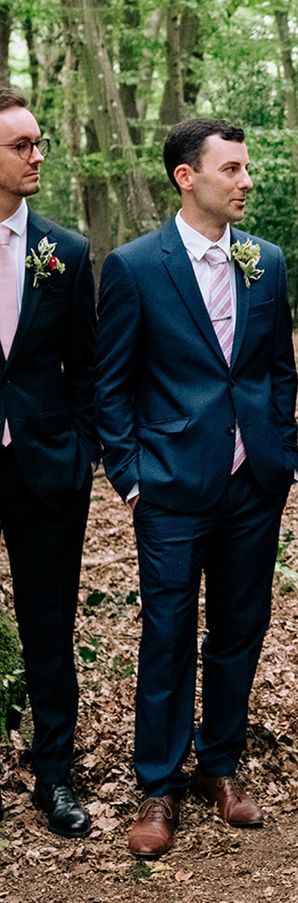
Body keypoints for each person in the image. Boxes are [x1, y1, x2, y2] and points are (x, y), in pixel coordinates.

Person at [95, 118, 298, 858]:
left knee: (241, 629)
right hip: (170, 486)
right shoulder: (135, 266)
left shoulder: (266, 261)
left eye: (247, 168)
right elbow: (109, 384)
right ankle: (158, 782)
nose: (247, 181)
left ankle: (221, 766)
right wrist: (130, 477)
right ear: (188, 177)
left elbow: (278, 366)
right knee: (168, 631)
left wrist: (283, 454)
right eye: (233, 169)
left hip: (253, 484)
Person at [0, 89, 98, 838]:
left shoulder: (64, 251)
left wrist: (82, 449)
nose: (37, 157)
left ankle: (55, 777)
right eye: (21, 145)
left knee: (48, 626)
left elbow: (88, 367)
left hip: (46, 467)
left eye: (39, 143)